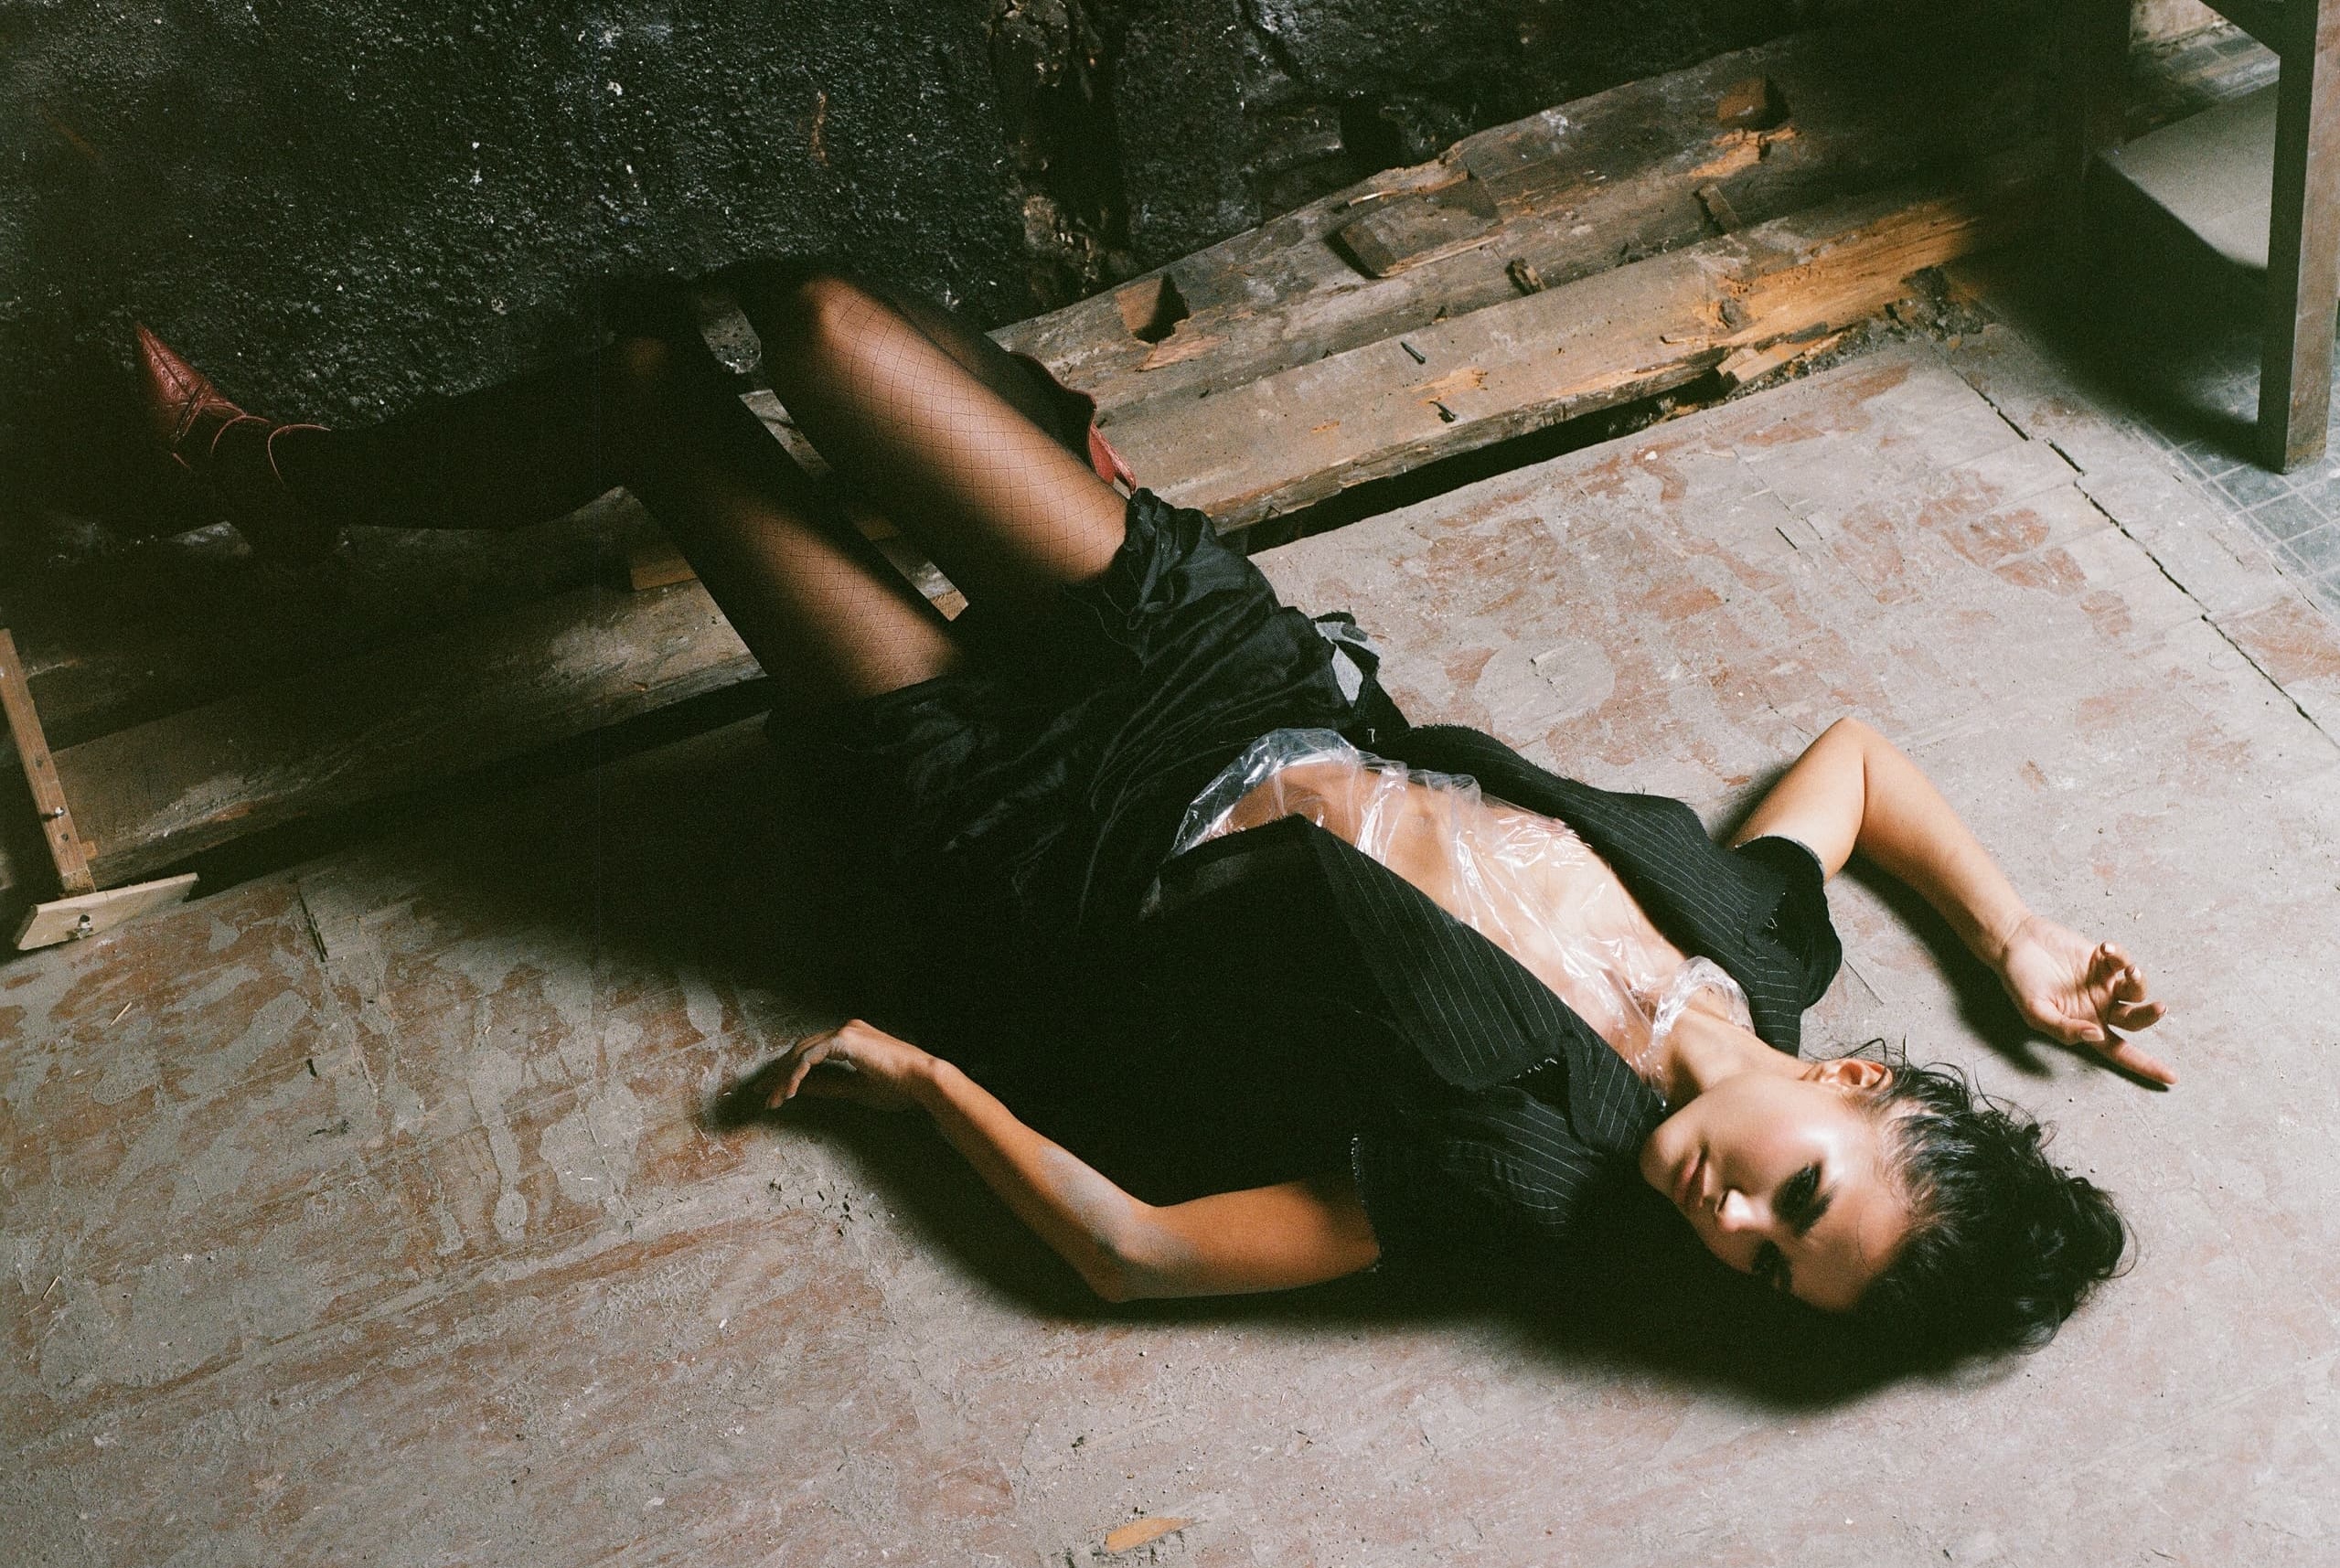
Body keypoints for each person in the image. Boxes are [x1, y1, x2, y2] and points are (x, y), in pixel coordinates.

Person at [134, 263, 2170, 1360]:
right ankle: (1018, 428)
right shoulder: (1757, 944)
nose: (1725, 1219)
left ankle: (271, 477)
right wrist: (2008, 937)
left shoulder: (1511, 1189)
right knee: (817, 318)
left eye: (1752, 1269)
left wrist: (926, 1091)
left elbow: (1133, 1257)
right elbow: (1860, 761)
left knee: (656, 388)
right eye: (1795, 1198)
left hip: (1025, 823)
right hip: (1226, 674)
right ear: (1867, 1089)